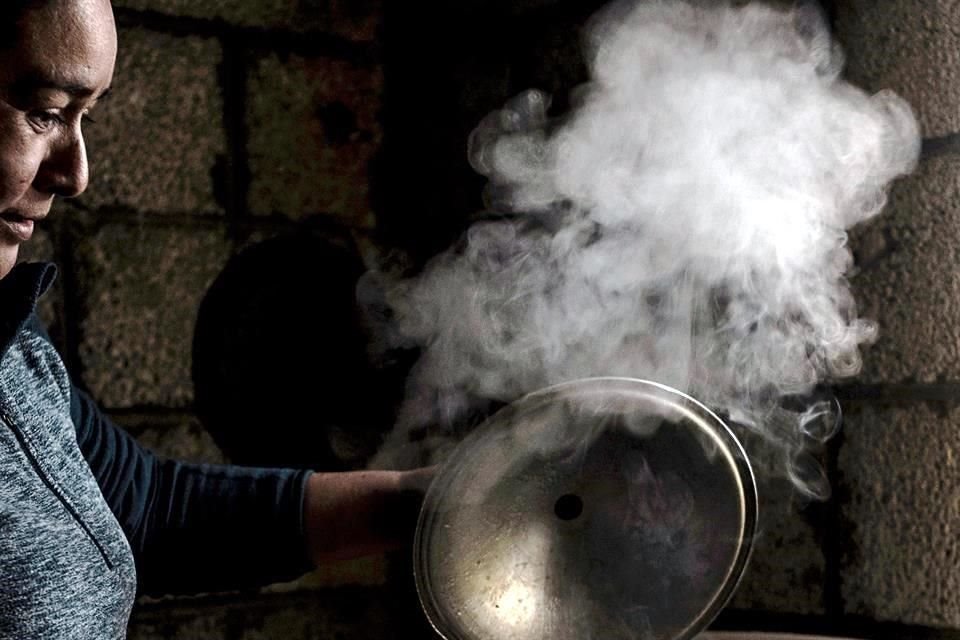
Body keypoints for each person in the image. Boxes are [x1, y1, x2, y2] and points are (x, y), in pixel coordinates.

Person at [0, 0, 432, 636]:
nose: (76, 175)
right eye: (45, 112)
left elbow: (144, 507)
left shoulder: (14, 348)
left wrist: (440, 501)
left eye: (84, 117)